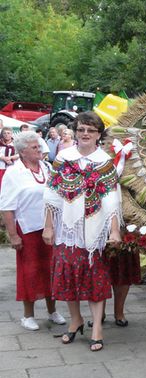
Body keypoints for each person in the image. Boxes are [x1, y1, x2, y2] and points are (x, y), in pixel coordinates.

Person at [43, 111, 122, 352]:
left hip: (94, 232)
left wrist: (115, 231)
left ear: (99, 134)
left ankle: (97, 326)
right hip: (68, 230)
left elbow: (112, 199)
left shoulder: (105, 162)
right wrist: (48, 226)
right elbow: (52, 194)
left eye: (90, 130)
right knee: (68, 276)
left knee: (94, 279)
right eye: (81, 129)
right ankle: (75, 320)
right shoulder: (63, 158)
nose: (85, 134)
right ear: (76, 132)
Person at [0, 131, 66, 330]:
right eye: (35, 147)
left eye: (39, 146)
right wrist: (13, 235)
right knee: (30, 271)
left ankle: (52, 311)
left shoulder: (47, 168)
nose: (40, 149)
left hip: (51, 228)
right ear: (22, 152)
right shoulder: (14, 173)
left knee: (52, 269)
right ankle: (28, 315)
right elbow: (6, 207)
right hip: (27, 229)